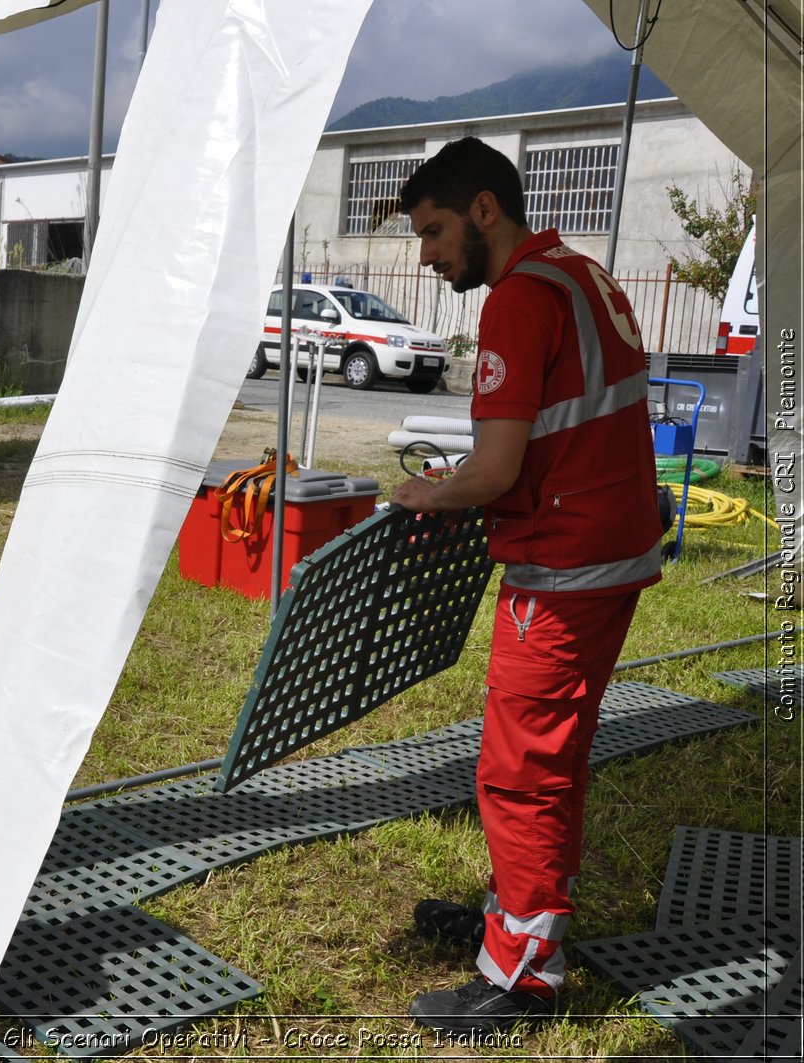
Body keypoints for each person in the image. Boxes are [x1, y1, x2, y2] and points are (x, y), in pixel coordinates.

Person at [389, 138, 662, 1035]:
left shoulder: (517, 300)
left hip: (563, 565)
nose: (426, 255)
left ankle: (521, 975)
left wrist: (432, 489)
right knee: (555, 757)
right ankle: (518, 919)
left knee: (518, 769)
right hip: (609, 552)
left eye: (432, 231)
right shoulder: (583, 274)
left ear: (482, 211)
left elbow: (500, 470)